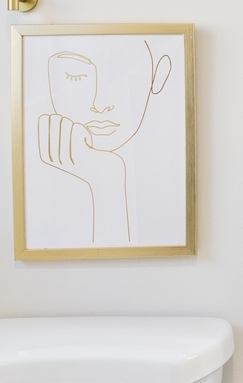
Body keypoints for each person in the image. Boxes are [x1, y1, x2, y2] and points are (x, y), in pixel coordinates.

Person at [36, 38, 173, 243]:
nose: (100, 104)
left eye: (120, 75)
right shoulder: (40, 183)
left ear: (158, 76)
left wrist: (107, 181)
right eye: (76, 77)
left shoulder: (164, 172)